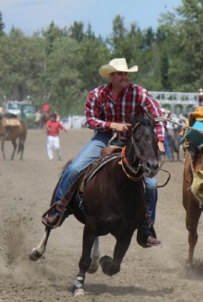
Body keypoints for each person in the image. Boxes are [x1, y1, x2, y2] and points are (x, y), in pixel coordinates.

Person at [41, 58, 165, 246]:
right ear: (111, 76)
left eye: (126, 74)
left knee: (152, 185)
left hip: (133, 143)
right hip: (103, 139)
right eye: (121, 74)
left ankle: (146, 228)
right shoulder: (97, 94)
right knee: (74, 169)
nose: (125, 77)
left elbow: (157, 116)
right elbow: (90, 119)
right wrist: (111, 125)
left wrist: (161, 141)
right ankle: (58, 210)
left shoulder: (139, 93)